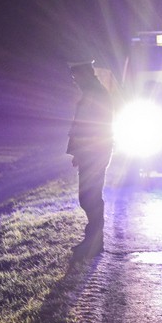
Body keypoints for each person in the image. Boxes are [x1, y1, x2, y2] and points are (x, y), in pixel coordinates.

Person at [66, 61, 114, 261]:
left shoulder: (96, 94)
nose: (75, 81)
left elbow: (92, 126)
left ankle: (94, 242)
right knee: (89, 196)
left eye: (76, 76)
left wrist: (83, 151)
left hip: (94, 152)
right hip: (92, 152)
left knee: (89, 197)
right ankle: (93, 240)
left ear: (84, 74)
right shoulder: (93, 92)